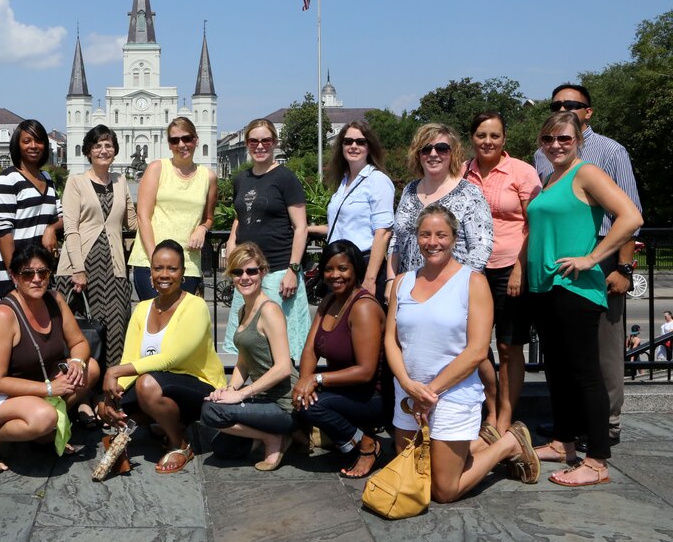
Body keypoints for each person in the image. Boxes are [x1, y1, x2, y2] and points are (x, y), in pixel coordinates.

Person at [384, 205, 540, 503]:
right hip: (409, 392)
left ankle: (508, 443)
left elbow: (477, 350)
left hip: (451, 395)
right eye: (425, 234)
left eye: (441, 235)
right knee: (414, 476)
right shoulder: (402, 282)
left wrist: (430, 392)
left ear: (454, 238)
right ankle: (479, 444)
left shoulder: (473, 282)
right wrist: (406, 383)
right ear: (417, 238)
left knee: (443, 490)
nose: (433, 242)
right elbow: (391, 341)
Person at [527, 111, 642, 486]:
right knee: (557, 371)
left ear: (578, 140)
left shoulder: (586, 172)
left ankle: (596, 461)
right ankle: (564, 443)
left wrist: (592, 258)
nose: (556, 145)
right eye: (549, 139)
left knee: (586, 375)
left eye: (564, 139)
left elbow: (630, 216)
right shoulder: (551, 177)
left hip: (575, 287)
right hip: (546, 286)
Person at [388, 123, 496, 426]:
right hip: (412, 285)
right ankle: (414, 407)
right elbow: (397, 238)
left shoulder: (469, 193)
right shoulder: (410, 190)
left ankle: (494, 413)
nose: (433, 154)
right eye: (427, 148)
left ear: (453, 154)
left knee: (471, 352)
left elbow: (482, 245)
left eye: (442, 148)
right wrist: (390, 279)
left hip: (454, 290)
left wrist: (459, 286)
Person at [0, 245, 99, 474]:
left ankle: (41, 433)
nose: (36, 279)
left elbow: (79, 344)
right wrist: (50, 388)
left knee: (89, 369)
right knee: (44, 417)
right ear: (14, 276)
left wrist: (76, 363)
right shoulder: (4, 315)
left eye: (43, 273)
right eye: (27, 274)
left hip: (33, 385)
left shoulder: (55, 300)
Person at [98, 240, 226, 474]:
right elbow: (130, 357)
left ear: (183, 273)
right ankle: (165, 422)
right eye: (158, 268)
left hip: (200, 388)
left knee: (147, 383)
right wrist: (111, 398)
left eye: (172, 268)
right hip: (159, 387)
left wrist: (114, 371)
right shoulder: (142, 308)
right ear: (150, 272)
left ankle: (180, 444)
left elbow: (171, 359)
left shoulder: (195, 306)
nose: (164, 274)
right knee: (106, 409)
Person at [462, 111, 542, 435]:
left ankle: (504, 416)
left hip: (511, 265)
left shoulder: (521, 172)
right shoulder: (461, 173)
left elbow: (534, 223)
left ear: (504, 139)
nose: (488, 141)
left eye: (494, 135)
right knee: (476, 346)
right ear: (472, 138)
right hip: (471, 269)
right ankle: (491, 405)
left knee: (509, 346)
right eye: (481, 135)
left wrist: (520, 268)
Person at [292, 239, 388, 478]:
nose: (335, 275)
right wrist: (305, 381)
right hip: (345, 391)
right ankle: (349, 439)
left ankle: (367, 446)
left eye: (343, 269)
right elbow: (311, 349)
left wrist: (317, 379)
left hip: (373, 396)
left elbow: (365, 371)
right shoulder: (329, 300)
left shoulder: (363, 307)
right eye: (329, 269)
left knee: (313, 407)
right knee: (302, 399)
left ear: (356, 269)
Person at [200, 243, 295, 471]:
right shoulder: (244, 310)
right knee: (224, 448)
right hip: (263, 400)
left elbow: (283, 368)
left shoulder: (269, 310)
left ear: (262, 272)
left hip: (284, 404)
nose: (245, 277)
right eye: (238, 272)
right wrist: (229, 390)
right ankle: (279, 436)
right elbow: (244, 361)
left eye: (251, 271)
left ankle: (274, 438)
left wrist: (242, 393)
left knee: (211, 413)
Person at [223, 118, 310, 359]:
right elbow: (239, 220)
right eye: (254, 141)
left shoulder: (285, 178)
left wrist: (293, 269)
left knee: (283, 342)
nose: (260, 146)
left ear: (274, 143)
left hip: (278, 270)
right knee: (246, 340)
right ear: (247, 144)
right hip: (247, 272)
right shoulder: (241, 179)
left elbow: (300, 227)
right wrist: (232, 259)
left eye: (265, 141)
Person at [54, 124, 138, 368]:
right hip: (79, 269)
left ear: (115, 150)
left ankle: (108, 396)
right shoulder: (76, 182)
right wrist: (78, 270)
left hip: (113, 269)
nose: (103, 150)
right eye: (98, 145)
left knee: (115, 332)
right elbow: (71, 228)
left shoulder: (121, 181)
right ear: (89, 151)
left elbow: (132, 221)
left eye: (108, 145)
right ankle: (80, 396)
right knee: (78, 334)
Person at [127, 117, 218, 300]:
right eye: (174, 140)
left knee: (180, 324)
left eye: (187, 138)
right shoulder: (157, 168)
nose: (181, 144)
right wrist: (157, 262)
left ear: (196, 140)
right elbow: (143, 217)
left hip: (188, 262)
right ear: (169, 144)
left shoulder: (208, 177)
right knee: (156, 322)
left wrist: (202, 228)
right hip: (151, 261)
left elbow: (208, 217)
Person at [308, 120, 395, 303]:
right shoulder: (343, 182)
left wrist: (370, 280)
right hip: (337, 266)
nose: (353, 146)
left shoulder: (377, 180)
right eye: (348, 141)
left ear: (369, 147)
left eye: (360, 142)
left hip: (362, 266)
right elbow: (342, 226)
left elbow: (383, 233)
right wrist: (307, 229)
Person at [0, 120, 64, 299]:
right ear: (17, 144)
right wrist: (15, 276)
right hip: (14, 271)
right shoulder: (7, 180)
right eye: (27, 141)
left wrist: (51, 229)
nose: (33, 146)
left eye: (38, 141)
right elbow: (3, 231)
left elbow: (62, 215)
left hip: (38, 270)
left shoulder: (46, 178)